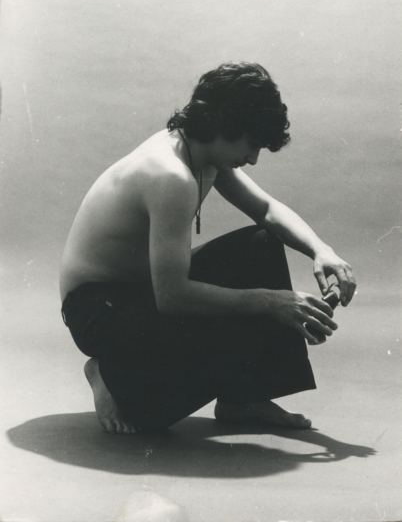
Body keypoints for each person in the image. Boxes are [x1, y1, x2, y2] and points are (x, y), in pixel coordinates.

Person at [60, 62, 356, 434]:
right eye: (252, 144)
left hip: (143, 291)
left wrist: (320, 249)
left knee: (261, 244)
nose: (253, 158)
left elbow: (266, 209)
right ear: (223, 125)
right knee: (149, 416)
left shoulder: (201, 153)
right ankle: (107, 371)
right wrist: (272, 301)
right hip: (98, 310)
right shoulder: (170, 175)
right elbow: (172, 297)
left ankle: (243, 399)